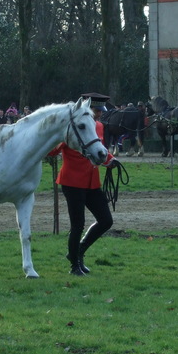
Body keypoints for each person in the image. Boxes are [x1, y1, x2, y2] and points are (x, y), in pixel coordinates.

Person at [48, 92, 115, 276]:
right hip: (72, 182)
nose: (99, 114)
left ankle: (78, 252)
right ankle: (74, 265)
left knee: (106, 220)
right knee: (77, 224)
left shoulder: (99, 126)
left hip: (92, 182)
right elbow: (54, 151)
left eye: (101, 111)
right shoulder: (74, 126)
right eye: (95, 110)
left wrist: (110, 159)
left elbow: (99, 148)